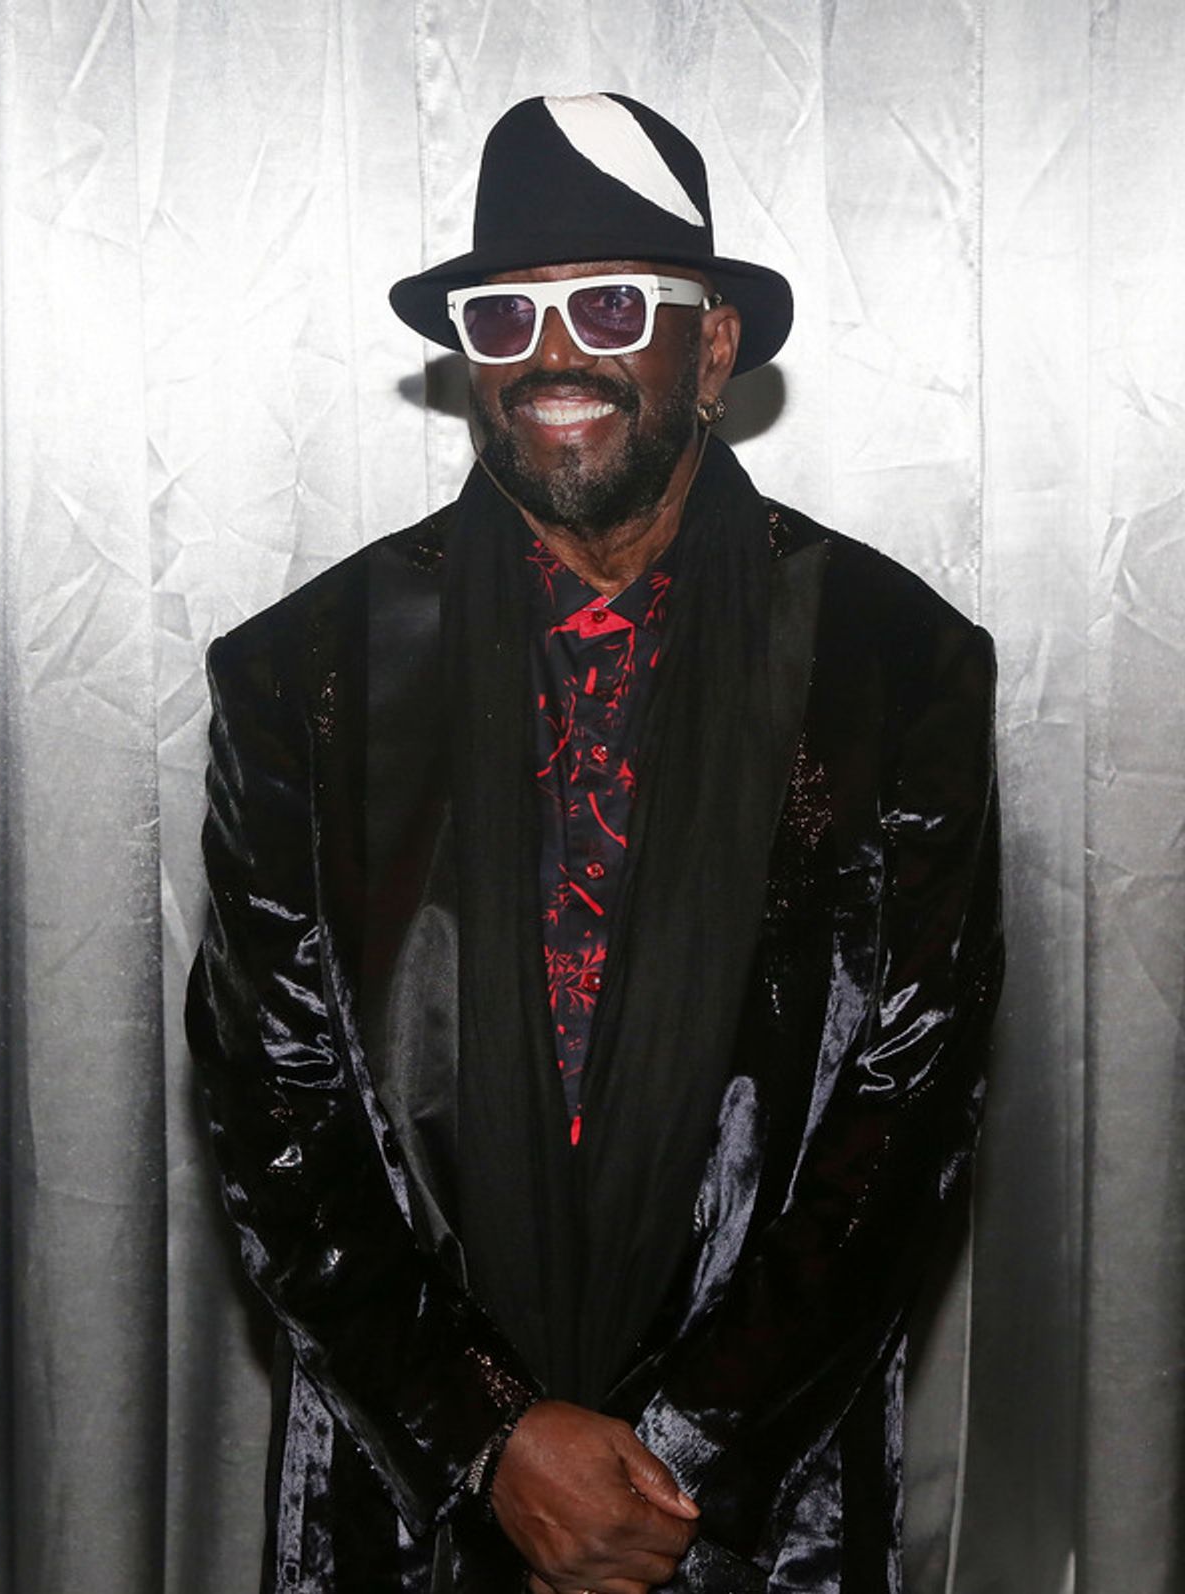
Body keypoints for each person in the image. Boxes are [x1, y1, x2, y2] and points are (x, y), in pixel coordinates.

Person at [186, 91, 1003, 1594]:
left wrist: (670, 1462)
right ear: (467, 363)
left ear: (712, 344)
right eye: (507, 318)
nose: (552, 357)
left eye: (613, 305)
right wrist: (496, 1440)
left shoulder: (896, 666)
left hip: (748, 1509)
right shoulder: (305, 676)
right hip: (415, 1491)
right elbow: (273, 1101)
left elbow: (907, 1108)